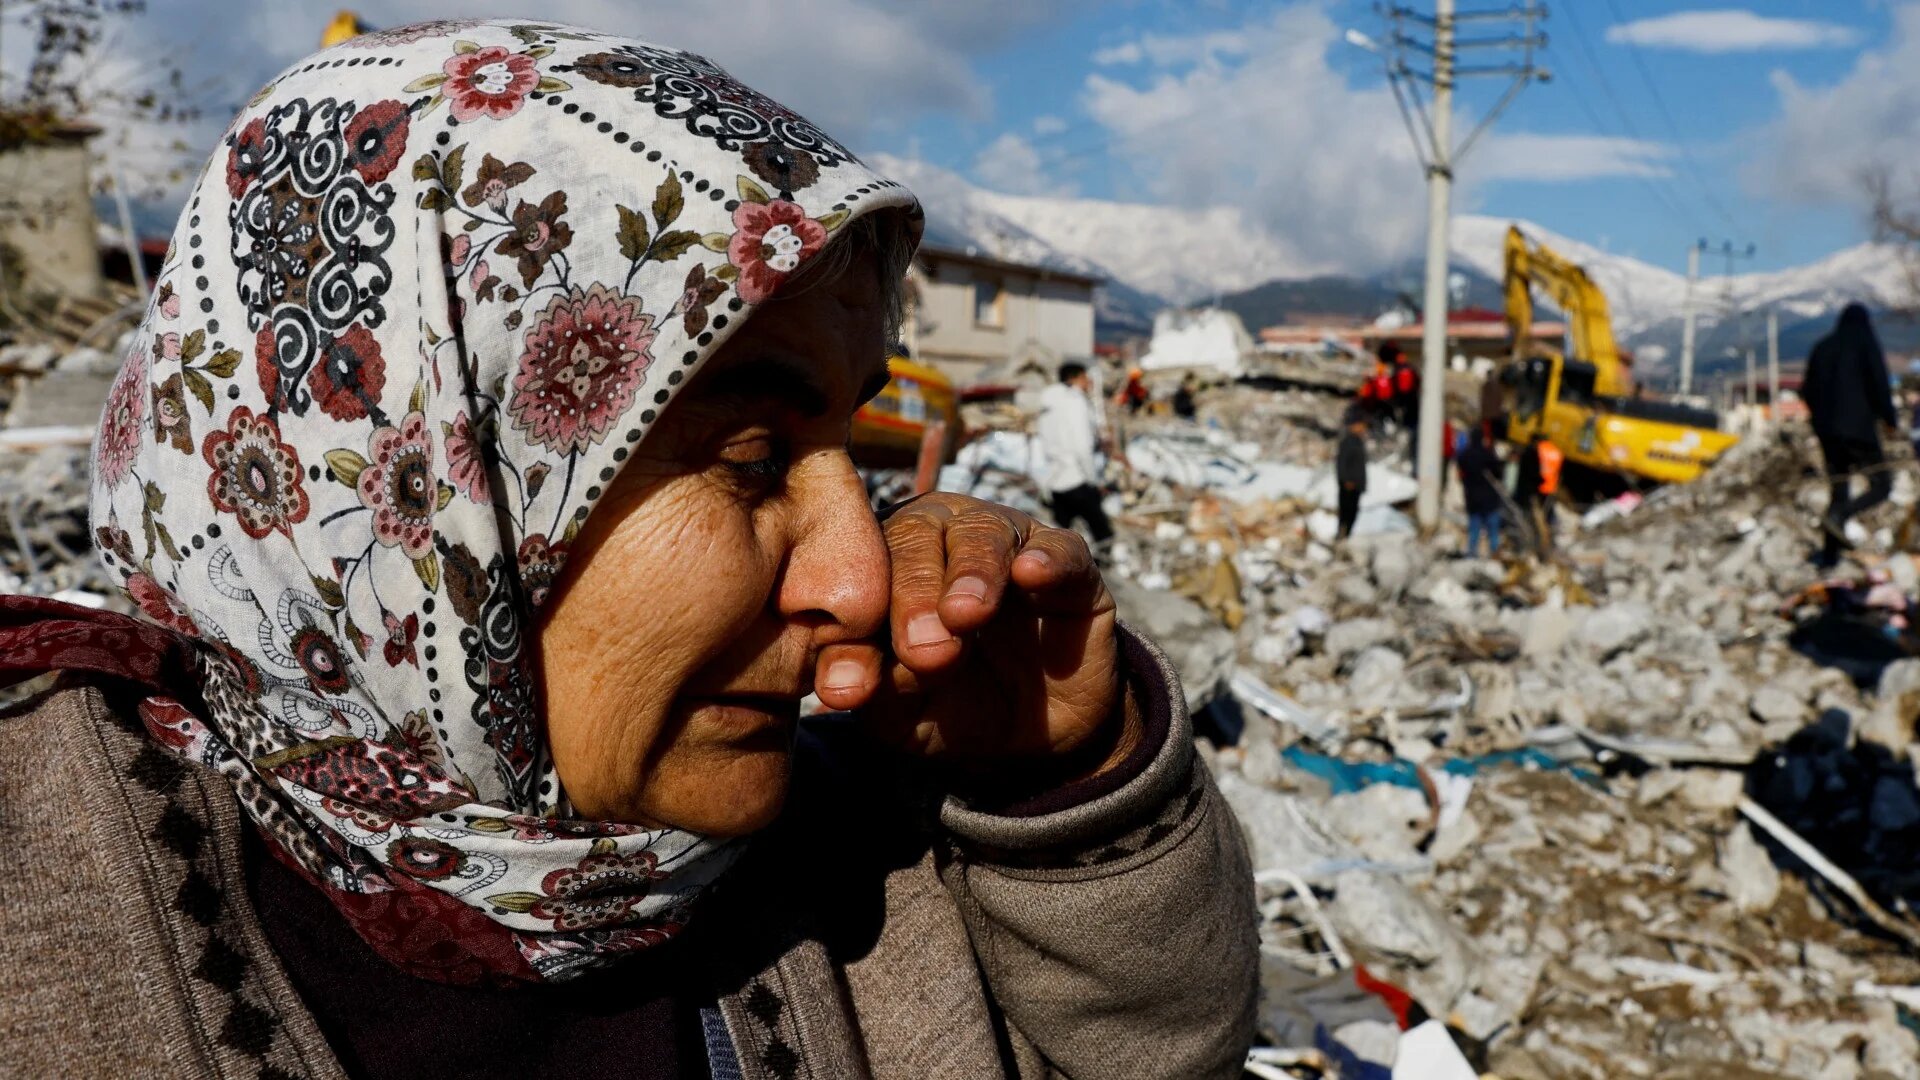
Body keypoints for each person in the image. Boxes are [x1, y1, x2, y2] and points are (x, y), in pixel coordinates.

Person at [0, 21, 1255, 1080]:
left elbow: (1166, 1048)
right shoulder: (40, 873)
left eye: (853, 454)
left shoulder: (858, 864)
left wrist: (1061, 772)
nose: (858, 577)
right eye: (754, 459)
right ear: (422, 473)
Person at [1802, 303, 1898, 565]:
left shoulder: (1822, 347)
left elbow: (1807, 389)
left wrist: (1821, 421)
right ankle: (1842, 515)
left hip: (1828, 434)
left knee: (1839, 487)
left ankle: (1831, 555)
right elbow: (1879, 383)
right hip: (1859, 431)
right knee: (1883, 484)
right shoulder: (1865, 342)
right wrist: (1890, 420)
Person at [1038, 361, 1116, 547]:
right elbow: (1083, 445)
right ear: (1074, 379)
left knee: (1060, 541)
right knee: (1103, 535)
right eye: (1085, 378)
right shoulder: (1075, 402)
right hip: (1077, 478)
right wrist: (1094, 480)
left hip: (1055, 481)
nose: (1089, 382)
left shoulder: (1048, 403)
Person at [1456, 427, 1504, 557]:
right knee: (1493, 530)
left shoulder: (1465, 455)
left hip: (1472, 497)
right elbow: (1499, 473)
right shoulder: (1488, 454)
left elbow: (1460, 467)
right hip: (1489, 498)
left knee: (1474, 529)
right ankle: (1495, 553)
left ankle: (1472, 553)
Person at [1336, 412, 1369, 541]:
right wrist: (1346, 480)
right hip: (1348, 486)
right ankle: (1342, 537)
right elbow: (1342, 463)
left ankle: (1346, 537)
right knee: (1346, 513)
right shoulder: (1348, 441)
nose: (1363, 428)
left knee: (1353, 512)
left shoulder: (1358, 442)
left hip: (1356, 485)